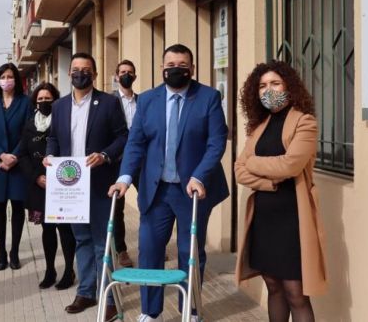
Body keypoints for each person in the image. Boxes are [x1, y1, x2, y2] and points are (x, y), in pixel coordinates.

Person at [109, 44, 229, 322]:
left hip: (192, 190)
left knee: (190, 252)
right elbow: (136, 142)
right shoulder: (148, 100)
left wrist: (199, 175)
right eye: (170, 64)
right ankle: (150, 312)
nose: (176, 69)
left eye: (182, 64)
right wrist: (124, 177)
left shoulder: (208, 97)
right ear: (162, 68)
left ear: (192, 69)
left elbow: (216, 142)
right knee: (149, 250)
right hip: (156, 190)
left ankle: (191, 309)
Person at [234, 61, 327, 322]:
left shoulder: (304, 122)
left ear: (289, 85)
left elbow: (291, 165)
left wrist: (254, 163)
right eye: (262, 86)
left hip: (292, 219)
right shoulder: (259, 126)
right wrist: (269, 181)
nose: (268, 90)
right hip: (264, 218)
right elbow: (239, 170)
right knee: (273, 286)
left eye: (275, 83)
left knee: (296, 293)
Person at [43, 53, 128, 321]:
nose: (81, 73)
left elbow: (124, 136)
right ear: (70, 74)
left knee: (104, 242)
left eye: (86, 70)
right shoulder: (59, 106)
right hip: (70, 187)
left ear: (95, 74)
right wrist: (49, 156)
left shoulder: (110, 103)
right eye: (76, 69)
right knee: (81, 240)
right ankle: (86, 292)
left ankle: (111, 298)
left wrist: (105, 155)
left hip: (101, 183)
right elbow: (54, 138)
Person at [18, 82, 76, 290]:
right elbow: (23, 154)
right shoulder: (29, 124)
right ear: (35, 101)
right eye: (40, 99)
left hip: (62, 184)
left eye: (48, 99)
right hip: (39, 185)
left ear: (56, 100)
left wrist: (59, 177)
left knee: (65, 229)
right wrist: (36, 177)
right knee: (47, 230)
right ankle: (50, 270)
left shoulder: (63, 120)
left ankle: (69, 270)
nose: (44, 102)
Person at [0, 63, 32, 270]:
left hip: (18, 163)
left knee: (18, 208)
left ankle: (14, 252)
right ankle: (1, 253)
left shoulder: (25, 102)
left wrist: (14, 156)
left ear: (16, 80)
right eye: (3, 76)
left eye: (10, 76)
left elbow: (28, 131)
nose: (6, 80)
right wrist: (1, 155)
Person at [110, 59, 138, 268]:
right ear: (116, 76)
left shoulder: (143, 101)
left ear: (134, 76)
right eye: (122, 72)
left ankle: (153, 245)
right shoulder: (109, 102)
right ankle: (121, 250)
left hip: (141, 160)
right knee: (117, 208)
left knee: (149, 203)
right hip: (117, 161)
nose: (126, 75)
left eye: (129, 72)